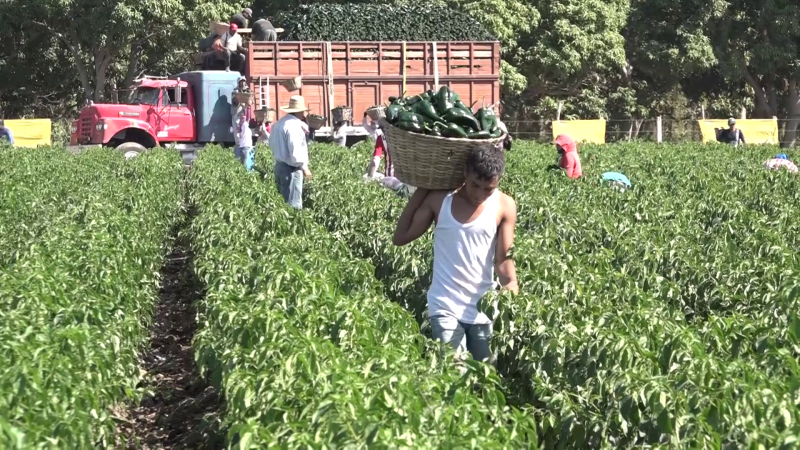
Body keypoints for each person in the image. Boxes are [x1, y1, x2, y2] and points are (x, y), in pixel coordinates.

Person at [392, 147, 519, 364]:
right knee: (454, 374)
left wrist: (511, 292)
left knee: (486, 376)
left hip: (483, 308)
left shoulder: (504, 205)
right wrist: (424, 188)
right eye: (474, 185)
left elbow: (504, 263)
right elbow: (401, 237)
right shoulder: (441, 200)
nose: (479, 194)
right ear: (464, 173)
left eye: (488, 189)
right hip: (444, 305)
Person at [269, 95, 312, 209]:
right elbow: (295, 150)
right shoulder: (293, 126)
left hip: (279, 166)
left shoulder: (278, 124)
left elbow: (271, 145)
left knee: (282, 203)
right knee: (293, 206)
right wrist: (304, 167)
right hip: (291, 170)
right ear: (300, 111)